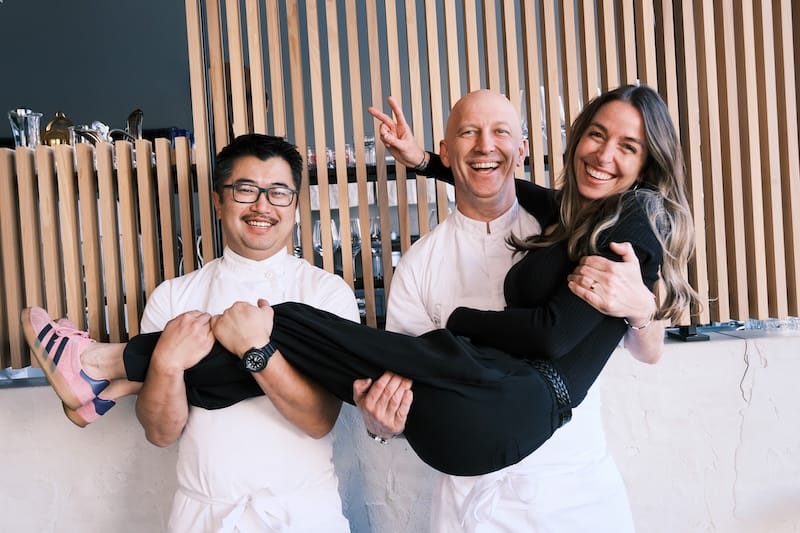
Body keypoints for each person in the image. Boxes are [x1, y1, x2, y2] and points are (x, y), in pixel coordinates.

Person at [22, 86, 690, 478]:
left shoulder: (632, 224)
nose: (604, 154)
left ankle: (104, 360)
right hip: (477, 435)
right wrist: (427, 162)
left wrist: (642, 309)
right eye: (597, 136)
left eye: (627, 146)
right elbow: (516, 189)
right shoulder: (572, 215)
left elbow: (572, 340)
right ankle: (108, 379)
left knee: (284, 321)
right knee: (289, 347)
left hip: (530, 430)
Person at [359, 86, 694, 531]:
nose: (485, 146)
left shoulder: (581, 228)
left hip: (576, 494)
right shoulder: (418, 266)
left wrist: (642, 308)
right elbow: (405, 393)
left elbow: (648, 351)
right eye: (469, 134)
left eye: (500, 133)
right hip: (469, 501)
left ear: (522, 149)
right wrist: (379, 422)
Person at [27, 134, 359, 531]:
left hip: (302, 515)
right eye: (245, 190)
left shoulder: (327, 294)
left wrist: (255, 350)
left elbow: (319, 418)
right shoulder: (174, 296)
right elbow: (161, 433)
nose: (262, 206)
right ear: (218, 202)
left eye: (279, 193)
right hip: (204, 517)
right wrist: (166, 364)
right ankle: (102, 372)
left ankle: (99, 369)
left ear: (295, 207)